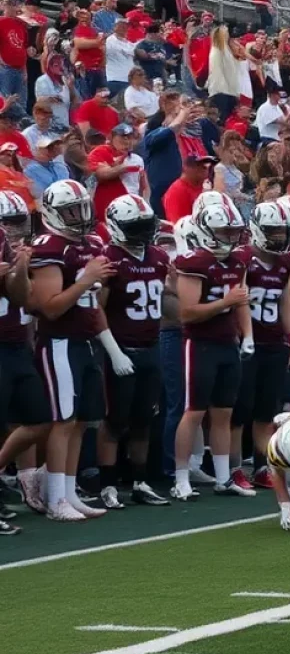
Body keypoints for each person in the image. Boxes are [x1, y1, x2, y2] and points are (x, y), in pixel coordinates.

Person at [31, 180, 136, 521]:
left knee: (81, 422)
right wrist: (85, 278)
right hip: (60, 341)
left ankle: (68, 491)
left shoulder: (92, 242)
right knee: (63, 421)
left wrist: (109, 344)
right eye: (70, 211)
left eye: (82, 208)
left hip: (87, 340)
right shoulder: (49, 247)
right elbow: (50, 308)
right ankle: (55, 498)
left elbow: (93, 304)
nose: (79, 216)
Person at [171, 200, 254, 500]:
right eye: (224, 231)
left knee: (223, 413)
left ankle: (223, 477)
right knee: (193, 412)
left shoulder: (237, 261)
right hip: (201, 344)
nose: (230, 238)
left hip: (226, 343)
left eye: (233, 232)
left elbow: (240, 300)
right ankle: (180, 478)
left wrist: (247, 335)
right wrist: (225, 303)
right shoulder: (194, 262)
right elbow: (187, 313)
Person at [96, 195, 171, 509]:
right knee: (114, 420)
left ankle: (140, 481)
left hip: (150, 347)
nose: (142, 233)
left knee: (144, 419)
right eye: (135, 227)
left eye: (145, 225)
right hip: (121, 348)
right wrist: (113, 351)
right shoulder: (108, 258)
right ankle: (108, 485)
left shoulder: (158, 256)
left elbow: (163, 301)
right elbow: (96, 309)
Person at [239, 201, 290, 489]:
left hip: (274, 342)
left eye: (282, 231)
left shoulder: (285, 262)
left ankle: (263, 466)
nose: (279, 237)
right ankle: (235, 468)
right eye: (273, 231)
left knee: (266, 410)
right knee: (240, 410)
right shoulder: (242, 259)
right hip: (246, 343)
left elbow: (285, 302)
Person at [0, 191, 51, 531]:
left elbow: (23, 297)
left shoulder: (11, 246)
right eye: (9, 223)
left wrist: (18, 266)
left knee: (38, 418)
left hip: (16, 344)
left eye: (19, 223)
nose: (14, 230)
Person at [87, 123, 147, 221]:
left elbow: (141, 186)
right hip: (107, 209)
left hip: (132, 208)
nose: (127, 140)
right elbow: (101, 174)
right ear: (112, 137)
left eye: (129, 137)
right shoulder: (100, 152)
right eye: (123, 137)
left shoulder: (137, 159)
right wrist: (121, 167)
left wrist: (141, 204)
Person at [162, 154, 217, 223]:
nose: (206, 170)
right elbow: (179, 225)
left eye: (207, 167)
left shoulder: (205, 186)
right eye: (201, 166)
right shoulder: (177, 191)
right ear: (187, 168)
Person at [24, 135, 69, 200]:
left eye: (52, 147)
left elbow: (67, 187)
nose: (51, 150)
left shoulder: (60, 167)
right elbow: (40, 194)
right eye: (48, 148)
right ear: (37, 150)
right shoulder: (29, 170)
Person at [103, 20, 136, 98]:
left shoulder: (128, 43)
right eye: (121, 25)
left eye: (126, 26)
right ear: (115, 27)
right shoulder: (110, 40)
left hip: (130, 81)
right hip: (115, 80)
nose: (124, 28)